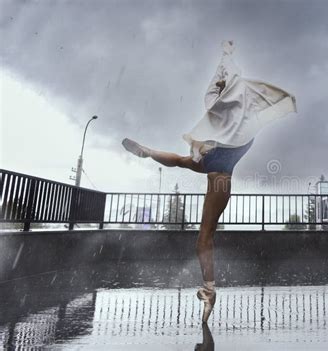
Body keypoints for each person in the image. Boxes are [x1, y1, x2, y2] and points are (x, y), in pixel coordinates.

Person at [122, 40, 296, 323]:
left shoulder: (218, 115)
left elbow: (221, 83)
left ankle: (149, 151)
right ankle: (210, 290)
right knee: (205, 237)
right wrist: (228, 59)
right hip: (220, 176)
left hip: (212, 165)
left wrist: (226, 57)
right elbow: (231, 85)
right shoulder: (240, 125)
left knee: (181, 163)